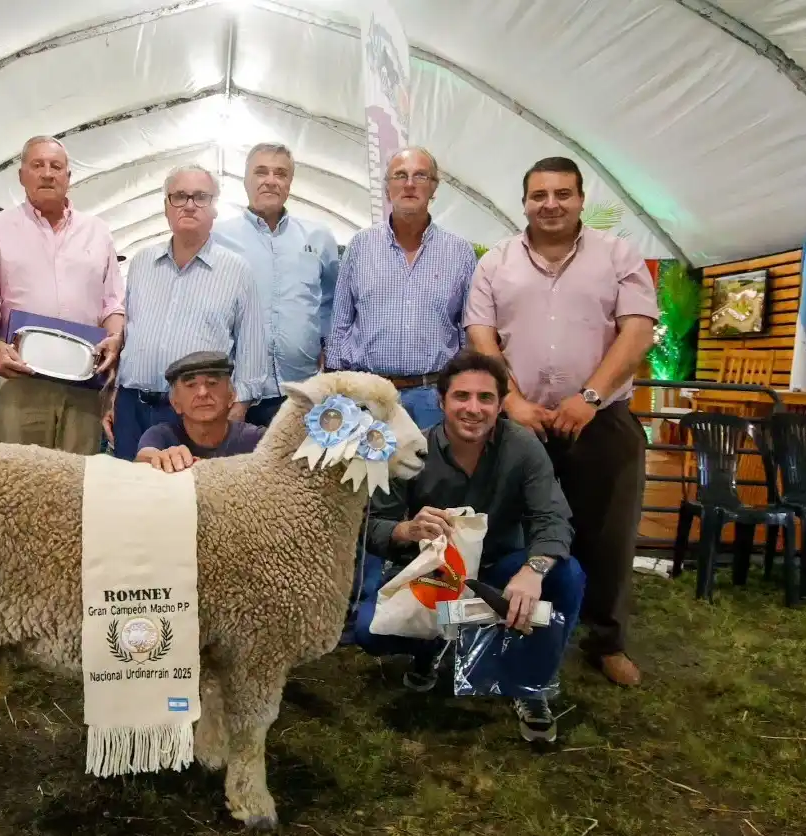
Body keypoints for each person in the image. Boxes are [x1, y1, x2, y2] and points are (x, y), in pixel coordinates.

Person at [465, 156, 658, 688]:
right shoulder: (496, 261)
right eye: (539, 195)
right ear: (523, 200)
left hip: (600, 419)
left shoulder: (619, 256)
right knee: (508, 527)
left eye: (563, 194)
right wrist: (514, 403)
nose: (551, 204)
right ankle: (507, 626)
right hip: (520, 421)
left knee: (608, 533)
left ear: (580, 199)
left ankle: (605, 640)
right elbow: (483, 336)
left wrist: (590, 397)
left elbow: (637, 330)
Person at [347, 350, 586, 743]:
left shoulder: (523, 447)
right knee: (369, 630)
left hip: (502, 572)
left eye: (485, 398)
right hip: (437, 576)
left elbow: (553, 518)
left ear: (499, 404)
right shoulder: (413, 450)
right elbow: (373, 525)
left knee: (566, 574)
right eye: (461, 396)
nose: (473, 408)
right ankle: (429, 650)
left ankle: (531, 684)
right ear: (441, 402)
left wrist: (533, 570)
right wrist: (406, 530)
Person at [0, 136, 125, 454]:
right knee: (20, 485)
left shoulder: (97, 231)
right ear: (22, 175)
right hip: (22, 381)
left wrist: (117, 336)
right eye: (37, 165)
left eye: (56, 166)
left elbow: (112, 302)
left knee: (77, 485)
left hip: (85, 384)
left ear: (69, 177)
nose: (47, 173)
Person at [111, 165, 266, 460]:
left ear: (215, 209)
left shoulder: (236, 271)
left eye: (201, 197)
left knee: (195, 502)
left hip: (199, 415)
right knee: (132, 497)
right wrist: (114, 397)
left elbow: (252, 352)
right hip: (133, 407)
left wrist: (236, 412)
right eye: (179, 196)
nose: (190, 205)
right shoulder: (142, 262)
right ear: (166, 207)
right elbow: (128, 335)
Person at [325, 147, 478, 429]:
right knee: (367, 471)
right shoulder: (360, 246)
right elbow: (340, 326)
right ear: (387, 189)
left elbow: (468, 333)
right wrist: (338, 390)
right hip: (368, 395)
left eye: (420, 176)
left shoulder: (460, 252)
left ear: (434, 187)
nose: (409, 184)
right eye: (400, 176)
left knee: (433, 472)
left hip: (433, 397)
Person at [212, 143, 339, 427]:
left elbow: (331, 301)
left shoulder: (318, 236)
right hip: (238, 393)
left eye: (280, 173)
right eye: (261, 172)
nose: (270, 180)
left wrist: (325, 344)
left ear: (290, 183)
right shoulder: (217, 238)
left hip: (303, 390)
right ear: (245, 180)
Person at [135, 351, 265, 472]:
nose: (203, 393)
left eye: (212, 383)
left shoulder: (255, 438)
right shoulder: (161, 435)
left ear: (231, 396)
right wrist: (161, 458)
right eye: (191, 385)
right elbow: (143, 457)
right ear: (175, 403)